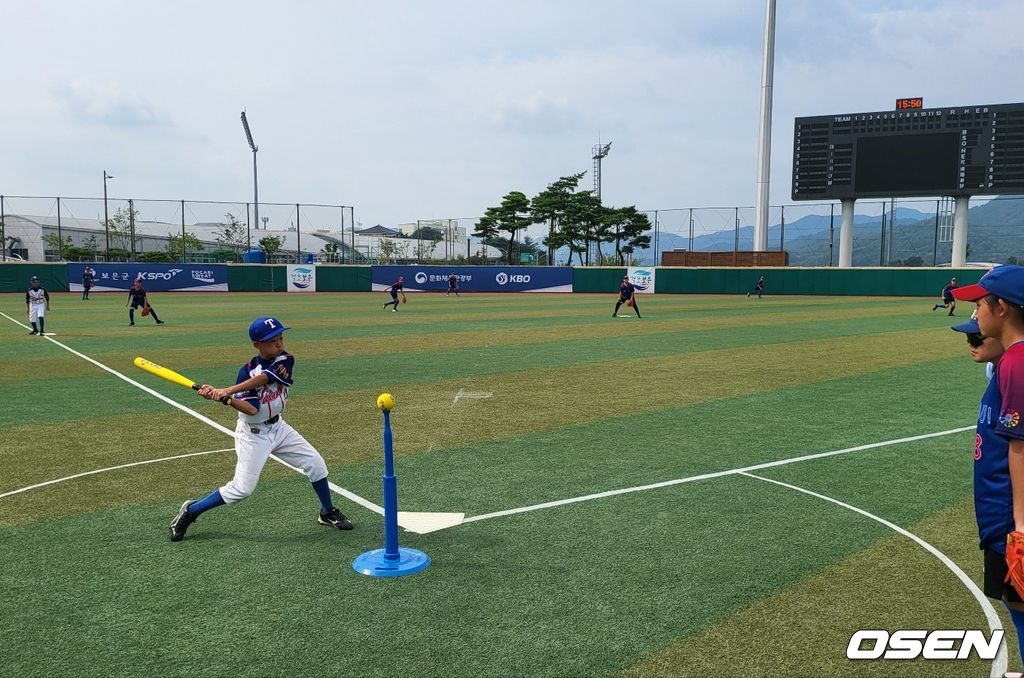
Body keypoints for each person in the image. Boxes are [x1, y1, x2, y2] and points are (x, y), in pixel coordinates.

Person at [169, 316, 353, 541]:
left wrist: (227, 390)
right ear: (257, 345)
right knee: (241, 490)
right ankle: (191, 510)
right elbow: (251, 410)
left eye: (280, 337)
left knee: (316, 464)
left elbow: (266, 378)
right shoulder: (246, 371)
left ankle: (327, 512)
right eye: (271, 340)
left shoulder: (285, 359)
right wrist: (225, 399)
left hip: (279, 428)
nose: (279, 343)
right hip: (253, 435)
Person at [951, 266, 1024, 665]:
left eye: (980, 304)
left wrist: (1020, 528)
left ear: (1004, 308)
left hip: (1009, 520)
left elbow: (1020, 447)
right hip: (1002, 515)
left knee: (1022, 611)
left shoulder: (1018, 362)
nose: (975, 314)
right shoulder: (1009, 360)